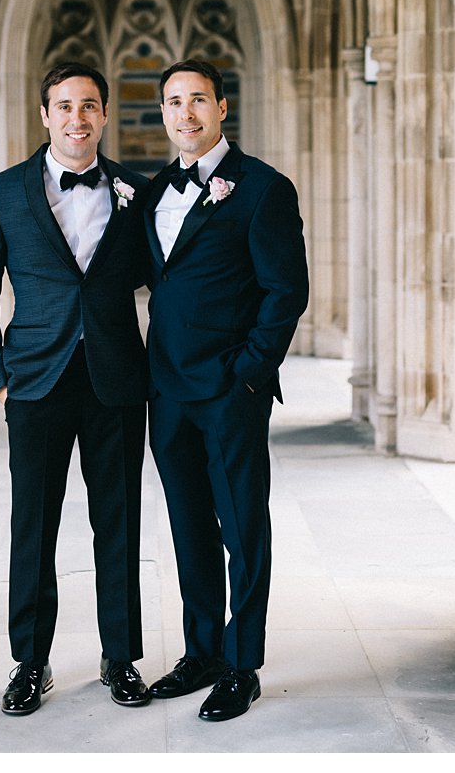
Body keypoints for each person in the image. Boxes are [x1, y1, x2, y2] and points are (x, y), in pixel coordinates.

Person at [0, 61, 152, 715]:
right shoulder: (2, 193)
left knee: (118, 525)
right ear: (45, 115)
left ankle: (119, 657)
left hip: (117, 383)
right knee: (33, 527)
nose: (77, 118)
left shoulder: (136, 191)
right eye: (64, 106)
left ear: (104, 115)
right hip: (34, 385)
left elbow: (172, 286)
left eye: (89, 106)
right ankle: (30, 663)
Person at [142, 59, 309, 722]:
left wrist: (249, 374)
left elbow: (285, 291)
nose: (186, 113)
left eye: (198, 101)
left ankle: (243, 665)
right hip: (168, 390)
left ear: (221, 108)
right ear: (164, 114)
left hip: (229, 391)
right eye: (174, 102)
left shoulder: (264, 189)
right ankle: (202, 651)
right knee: (188, 526)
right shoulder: (152, 191)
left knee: (243, 528)